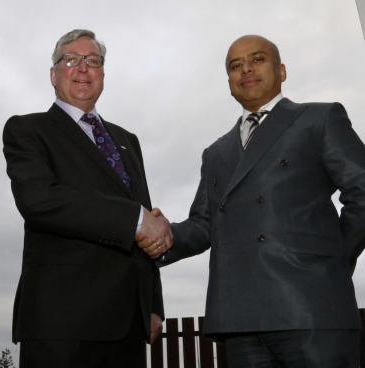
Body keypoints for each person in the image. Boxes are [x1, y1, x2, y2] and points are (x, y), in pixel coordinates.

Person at [138, 35, 365, 367]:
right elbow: (204, 224)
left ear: (281, 70)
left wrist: (332, 264)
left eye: (257, 59)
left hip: (311, 308)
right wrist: (151, 235)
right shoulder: (215, 152)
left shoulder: (319, 119)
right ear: (229, 83)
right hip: (239, 317)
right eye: (234, 65)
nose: (246, 68)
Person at [2, 29, 172, 368]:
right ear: (54, 74)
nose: (83, 68)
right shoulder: (27, 130)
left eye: (93, 61)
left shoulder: (127, 141)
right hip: (63, 321)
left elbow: (144, 214)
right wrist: (135, 219)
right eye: (71, 60)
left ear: (103, 75)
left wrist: (152, 304)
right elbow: (40, 201)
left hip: (129, 323)